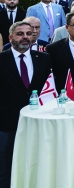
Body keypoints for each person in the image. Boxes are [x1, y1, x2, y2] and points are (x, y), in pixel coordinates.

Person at [0, 22, 52, 187]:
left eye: (29, 34)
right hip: (7, 123)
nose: (25, 37)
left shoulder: (44, 59)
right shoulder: (1, 59)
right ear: (10, 37)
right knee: (5, 166)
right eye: (20, 34)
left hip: (37, 121)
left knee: (36, 162)